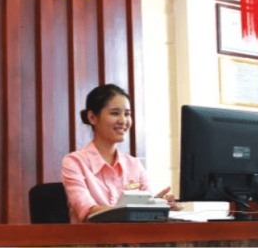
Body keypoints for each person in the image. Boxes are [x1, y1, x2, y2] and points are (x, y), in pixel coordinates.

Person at [61, 84, 180, 223]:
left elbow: (148, 208)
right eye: (115, 113)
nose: (123, 121)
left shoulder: (134, 165)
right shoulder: (74, 162)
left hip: (132, 237)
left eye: (127, 114)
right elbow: (88, 211)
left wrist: (159, 205)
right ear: (92, 117)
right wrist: (140, 209)